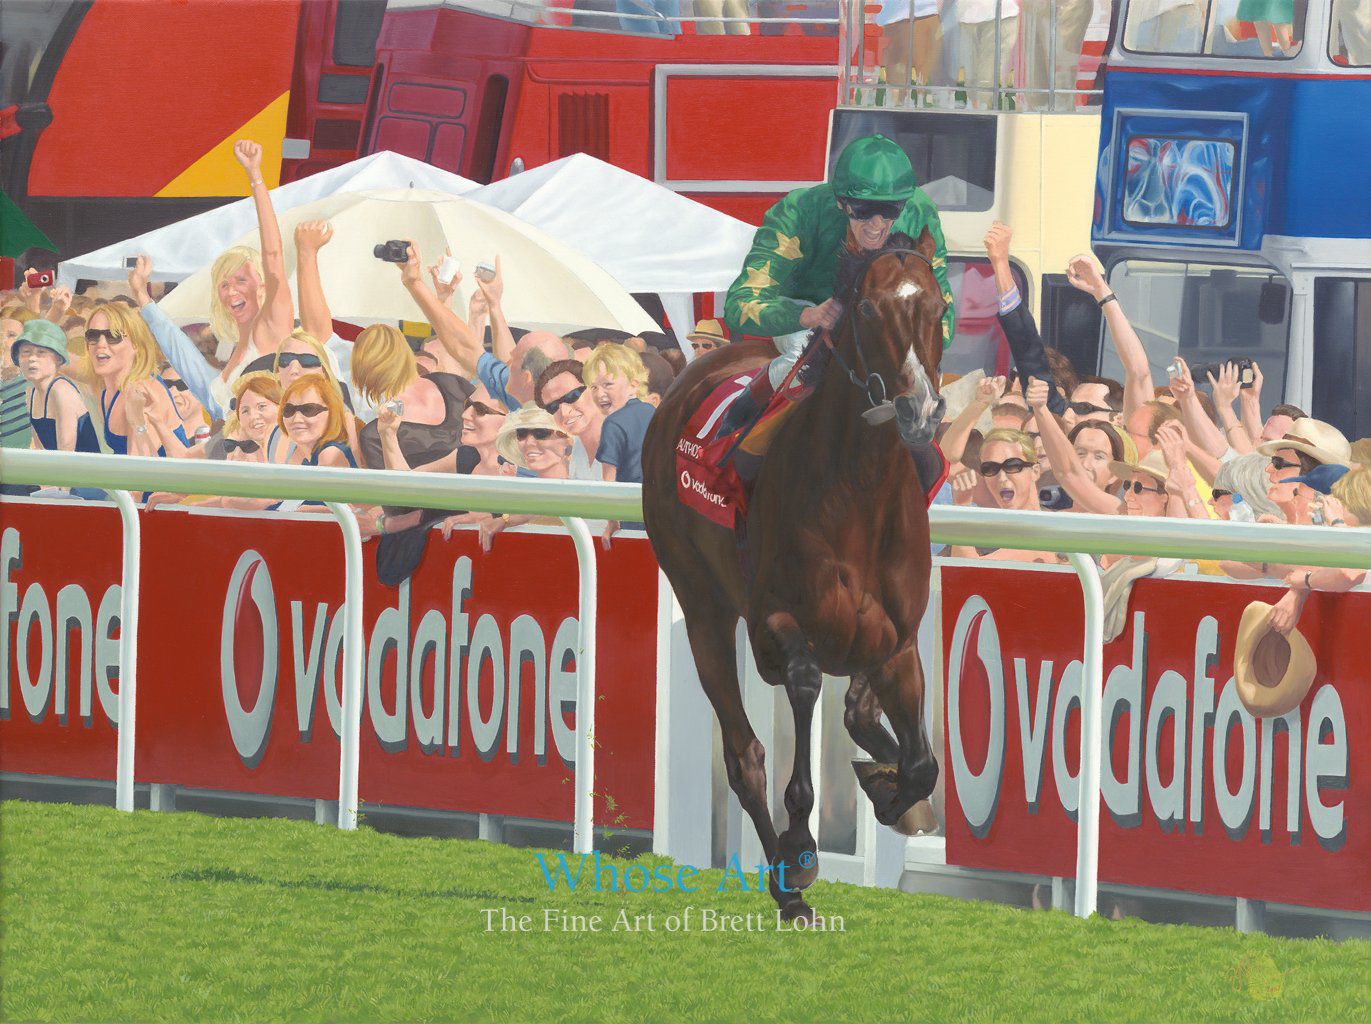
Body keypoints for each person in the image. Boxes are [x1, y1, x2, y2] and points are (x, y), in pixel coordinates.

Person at [718, 134, 954, 436]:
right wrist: (806, 316)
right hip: (808, 312)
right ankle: (739, 418)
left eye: (891, 210)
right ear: (841, 202)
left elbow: (942, 312)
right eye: (863, 210)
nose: (877, 224)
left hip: (884, 323)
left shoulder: (920, 211)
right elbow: (739, 305)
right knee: (800, 359)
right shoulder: (798, 210)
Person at [84, 303, 189, 458]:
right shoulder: (108, 390)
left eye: (113, 336)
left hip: (158, 479)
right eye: (93, 336)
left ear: (136, 345)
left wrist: (137, 421)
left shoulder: (142, 392)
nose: (101, 344)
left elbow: (142, 470)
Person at [14, 319, 100, 454]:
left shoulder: (61, 391)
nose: (32, 358)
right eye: (26, 352)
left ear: (58, 359)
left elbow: (65, 454)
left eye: (41, 352)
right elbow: (39, 448)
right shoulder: (30, 392)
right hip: (55, 467)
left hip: (82, 470)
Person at [536, 359, 605, 481]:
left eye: (572, 396)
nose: (564, 412)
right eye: (553, 407)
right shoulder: (576, 448)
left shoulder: (627, 439)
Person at [1020, 0, 1093, 111]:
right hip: (1033, 5)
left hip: (1066, 5)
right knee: (1035, 71)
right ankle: (1038, 116)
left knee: (1060, 65)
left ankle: (1061, 118)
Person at [877, 0, 943, 106]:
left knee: (901, 83)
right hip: (913, 18)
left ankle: (898, 109)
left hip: (902, 19)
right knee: (919, 83)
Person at [958, 0, 1019, 109]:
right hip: (967, 16)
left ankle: (983, 119)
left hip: (1000, 16)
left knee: (988, 80)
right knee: (969, 78)